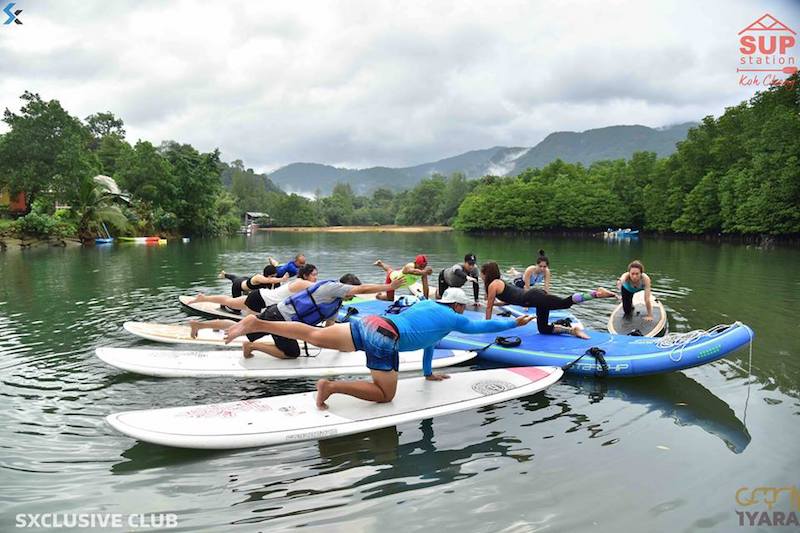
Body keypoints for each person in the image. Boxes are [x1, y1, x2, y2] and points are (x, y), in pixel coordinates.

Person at [224, 288, 535, 409]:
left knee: (314, 335)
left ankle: (258, 323)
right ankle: (330, 388)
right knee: (386, 395)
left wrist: (428, 373)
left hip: (371, 322)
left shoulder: (427, 305)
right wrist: (513, 323)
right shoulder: (454, 318)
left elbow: (430, 342)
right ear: (458, 305)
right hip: (385, 337)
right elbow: (482, 328)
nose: (464, 312)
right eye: (463, 307)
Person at [232, 274, 404, 359]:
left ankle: (250, 334)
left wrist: (341, 347)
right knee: (291, 353)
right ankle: (251, 346)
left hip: (284, 321)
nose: (352, 297)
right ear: (344, 287)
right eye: (351, 293)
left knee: (250, 331)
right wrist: (389, 286)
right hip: (279, 316)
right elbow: (361, 289)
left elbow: (329, 328)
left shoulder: (335, 304)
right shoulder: (331, 288)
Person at [481, 261, 616, 339]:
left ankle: (596, 293)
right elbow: (509, 300)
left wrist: (486, 326)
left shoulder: (493, 285)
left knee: (565, 303)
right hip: (534, 299)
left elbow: (489, 307)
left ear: (487, 273)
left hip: (533, 297)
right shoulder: (498, 283)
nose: (481, 275)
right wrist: (498, 303)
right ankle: (572, 331)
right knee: (544, 329)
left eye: (482, 273)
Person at [187, 264, 319, 338]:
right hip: (260, 300)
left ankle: (203, 298)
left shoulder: (299, 282)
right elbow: (323, 287)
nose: (316, 278)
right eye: (314, 275)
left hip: (259, 295)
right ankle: (200, 325)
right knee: (244, 327)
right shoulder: (302, 283)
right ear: (305, 275)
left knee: (229, 301)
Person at [219, 262, 288, 299]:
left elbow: (275, 264)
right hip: (238, 286)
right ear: (268, 275)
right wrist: (282, 279)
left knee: (235, 278)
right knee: (236, 309)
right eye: (272, 276)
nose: (274, 278)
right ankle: (224, 303)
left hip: (245, 280)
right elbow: (269, 280)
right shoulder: (259, 277)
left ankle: (224, 274)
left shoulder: (270, 278)